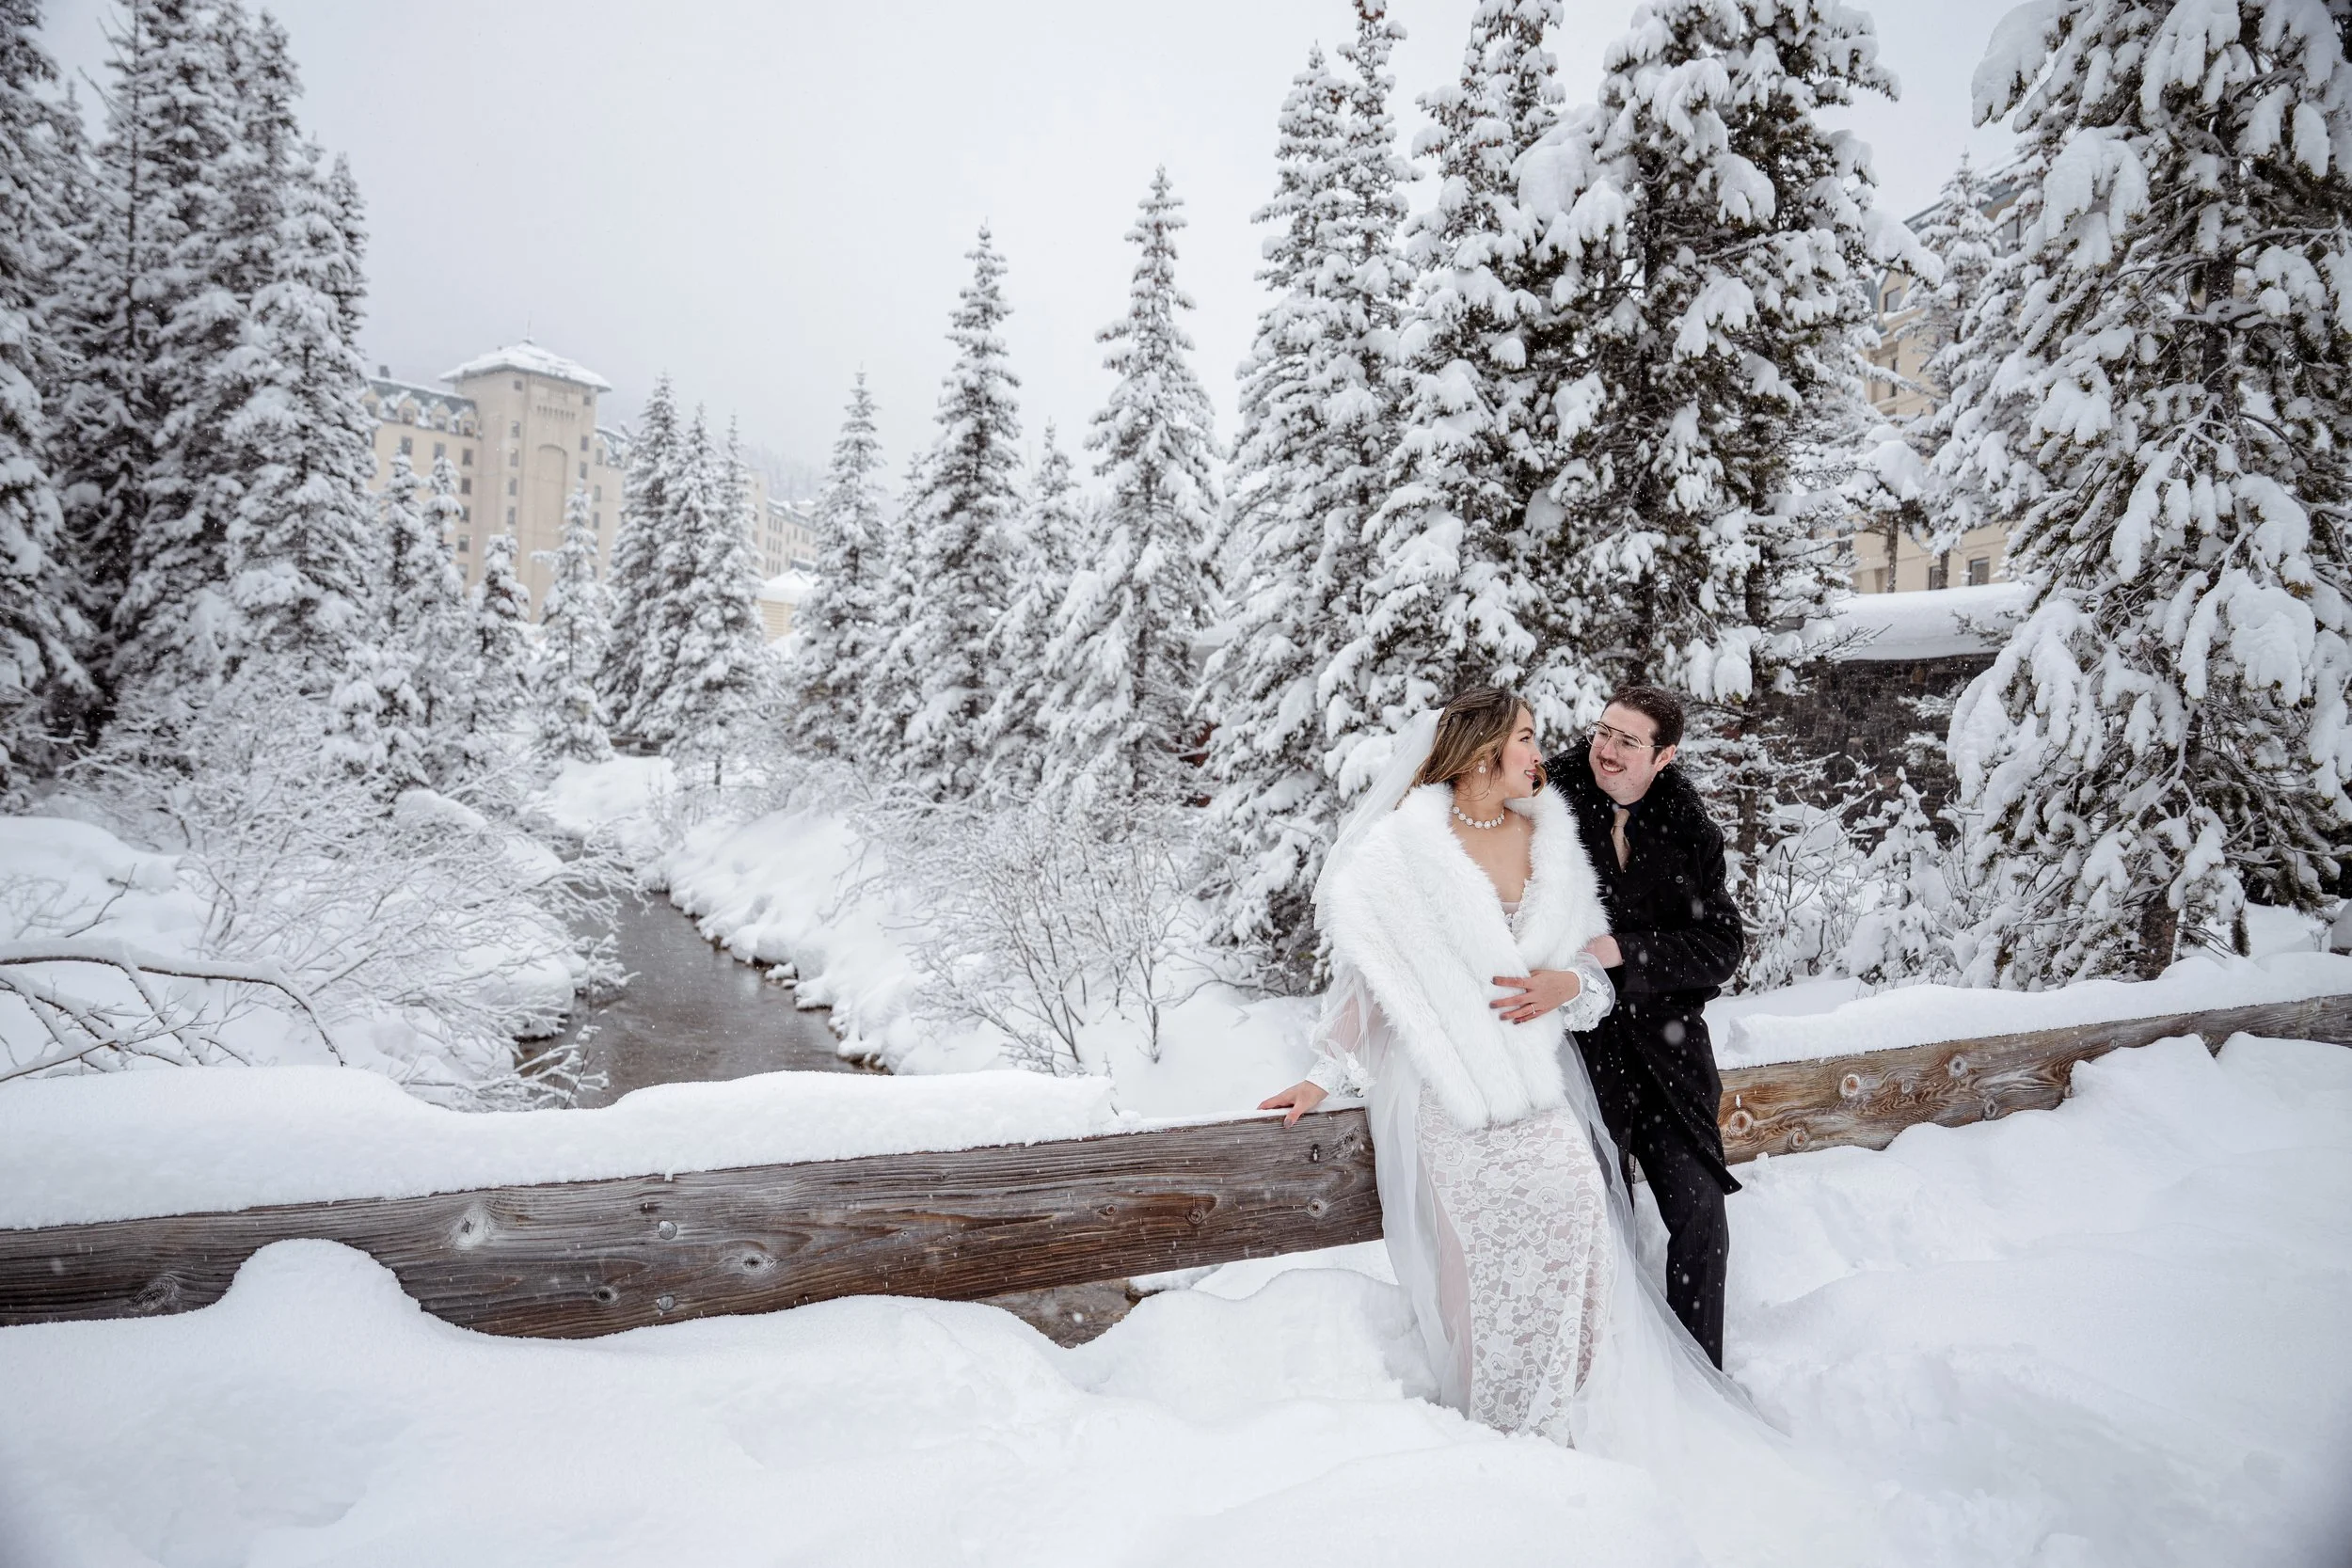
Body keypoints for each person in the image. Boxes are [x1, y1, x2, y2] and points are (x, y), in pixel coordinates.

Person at [1546, 684, 1744, 1368]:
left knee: (1700, 1214)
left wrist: (1627, 952)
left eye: (1628, 741)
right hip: (1582, 1050)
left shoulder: (1690, 830)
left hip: (1670, 1059)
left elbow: (1721, 949)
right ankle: (1604, 1372)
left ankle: (1700, 1374)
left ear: (1665, 755)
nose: (1606, 748)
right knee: (1597, 1216)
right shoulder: (1553, 798)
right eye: (1603, 731)